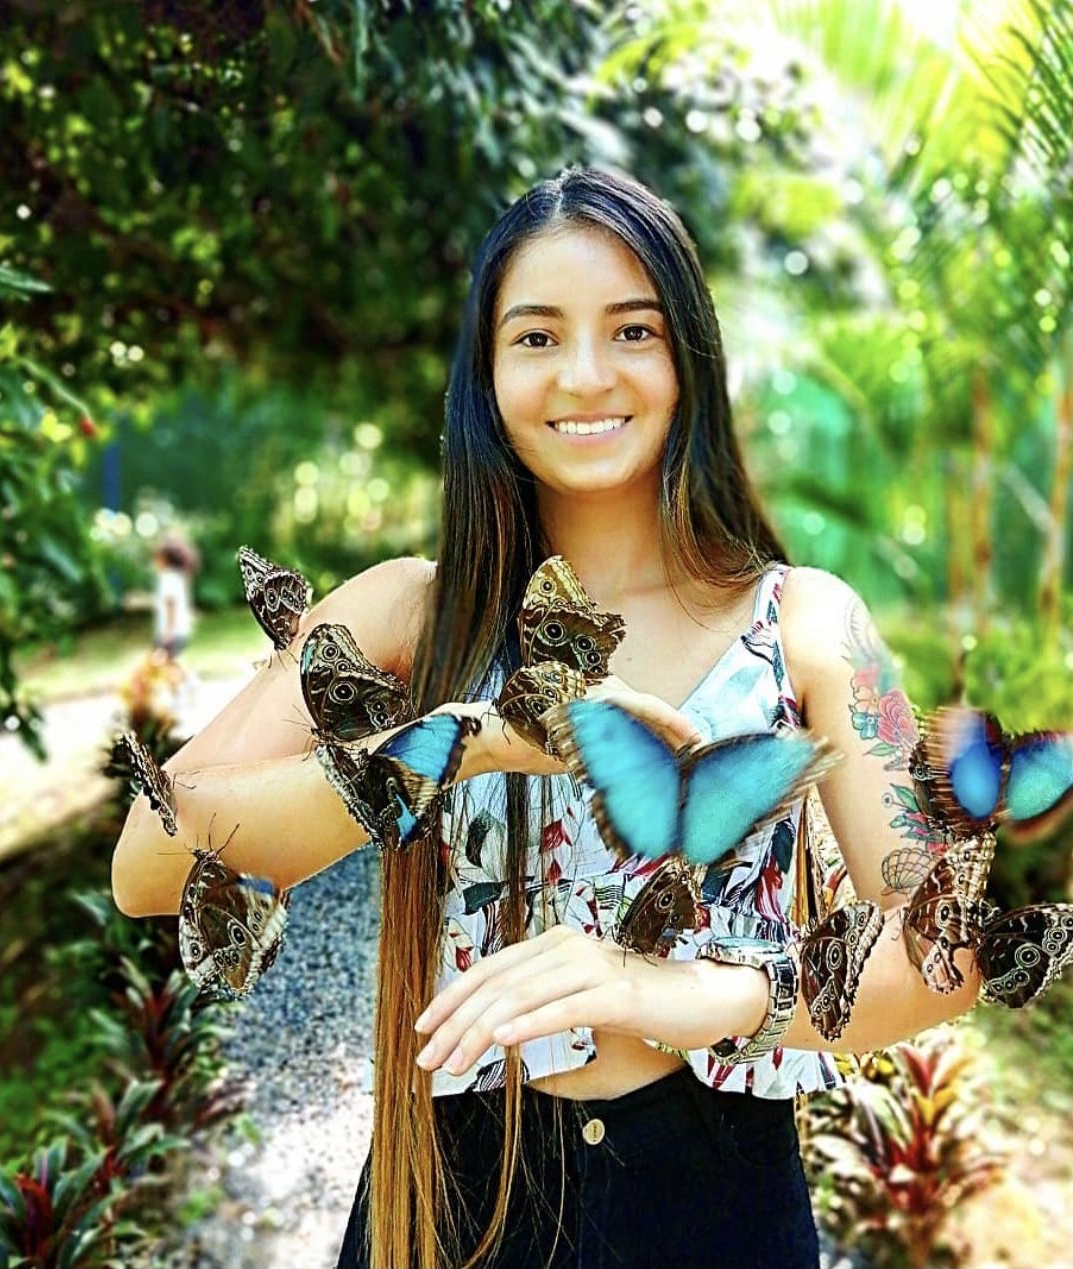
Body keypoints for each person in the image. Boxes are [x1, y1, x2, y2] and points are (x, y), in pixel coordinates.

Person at [111, 167, 980, 1269]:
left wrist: (680, 989)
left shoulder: (806, 626)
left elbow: (943, 950)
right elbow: (147, 860)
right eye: (535, 337)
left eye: (631, 330)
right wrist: (475, 739)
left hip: (715, 1199)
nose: (583, 375)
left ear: (688, 360)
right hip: (452, 1196)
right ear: (485, 372)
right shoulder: (407, 616)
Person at [152, 536, 198, 661]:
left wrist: (168, 634)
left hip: (171, 633)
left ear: (164, 559)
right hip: (181, 631)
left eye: (157, 558)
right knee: (170, 667)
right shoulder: (179, 577)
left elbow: (170, 605)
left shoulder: (167, 578)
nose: (155, 562)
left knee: (163, 669)